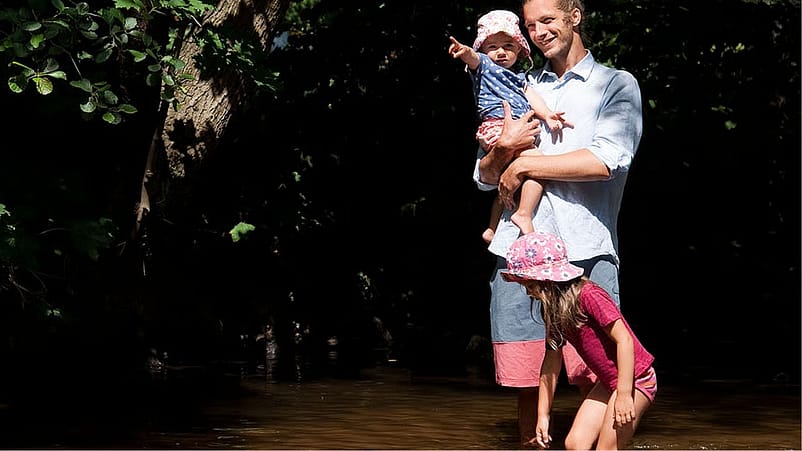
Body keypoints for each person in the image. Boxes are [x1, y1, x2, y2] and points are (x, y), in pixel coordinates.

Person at [472, 0, 643, 446]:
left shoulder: (615, 84)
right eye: (531, 25)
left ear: (575, 15)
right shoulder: (519, 84)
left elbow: (608, 160)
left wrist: (529, 167)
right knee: (529, 382)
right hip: (520, 254)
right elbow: (484, 176)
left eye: (548, 20)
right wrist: (503, 150)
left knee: (601, 375)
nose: (540, 32)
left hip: (585, 251)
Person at [500, 231, 656, 450]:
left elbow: (625, 341)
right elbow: (551, 363)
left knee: (606, 448)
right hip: (608, 381)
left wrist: (623, 395)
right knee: (575, 444)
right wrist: (543, 415)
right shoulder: (553, 310)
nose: (528, 293)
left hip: (636, 379)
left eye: (529, 286)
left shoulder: (589, 295)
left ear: (547, 280)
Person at [448, 9, 572, 244]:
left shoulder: (519, 77)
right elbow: (474, 60)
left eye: (508, 46)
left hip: (510, 128)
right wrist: (466, 52)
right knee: (537, 163)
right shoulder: (485, 66)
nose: (500, 52)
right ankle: (524, 214)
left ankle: (493, 228)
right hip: (497, 125)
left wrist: (548, 116)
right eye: (492, 47)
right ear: (483, 49)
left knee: (510, 179)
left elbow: (532, 98)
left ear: (519, 50)